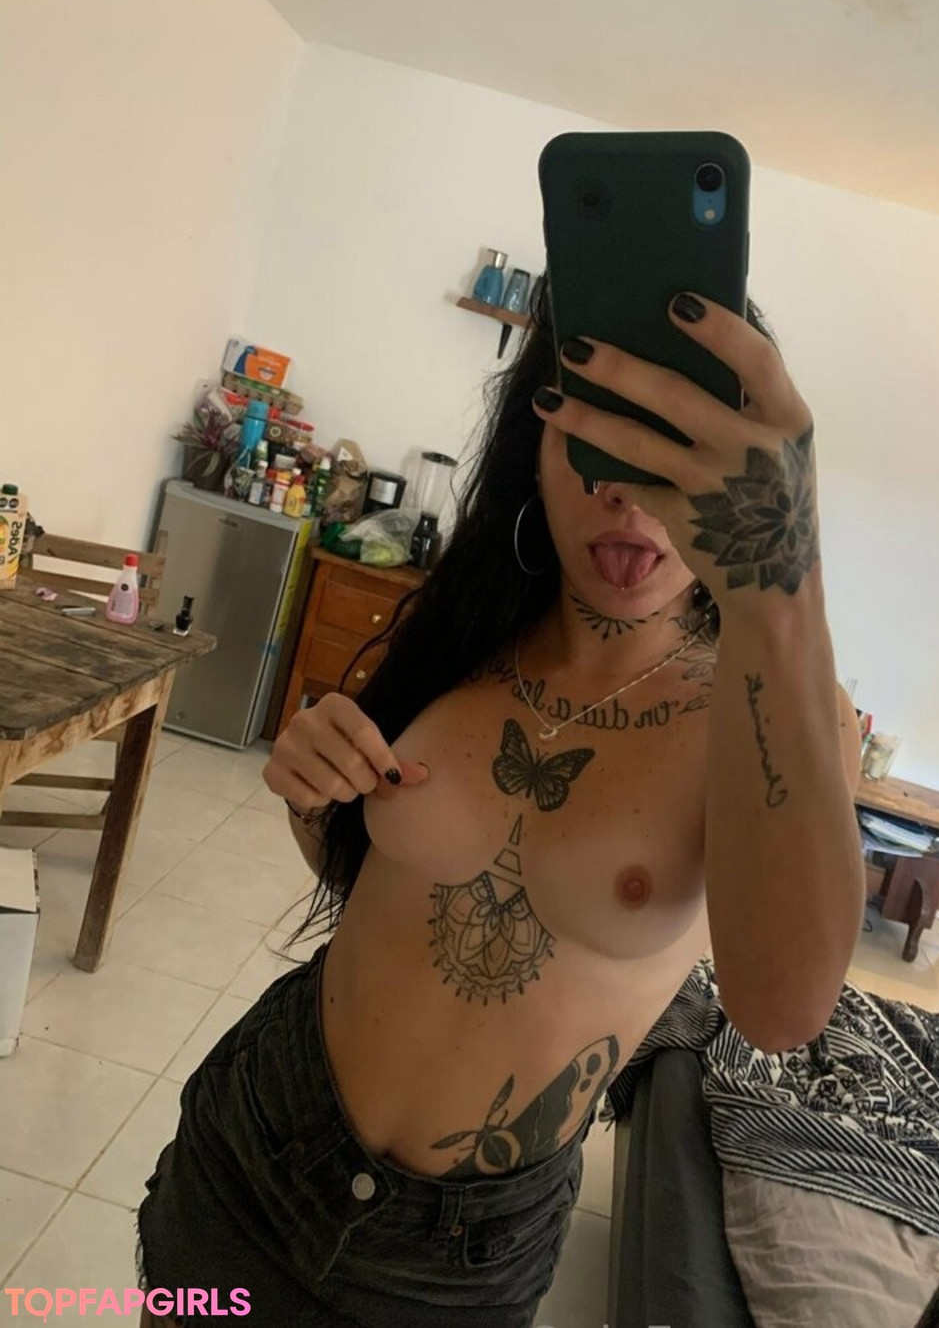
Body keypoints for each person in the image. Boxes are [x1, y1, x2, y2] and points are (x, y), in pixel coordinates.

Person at [136, 281, 865, 1327]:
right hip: (258, 1137)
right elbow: (372, 881)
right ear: (539, 446)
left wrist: (784, 578)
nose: (629, 503)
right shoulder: (467, 627)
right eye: (599, 446)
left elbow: (786, 1008)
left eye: (673, 458)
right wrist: (312, 786)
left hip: (452, 1261)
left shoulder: (771, 706)